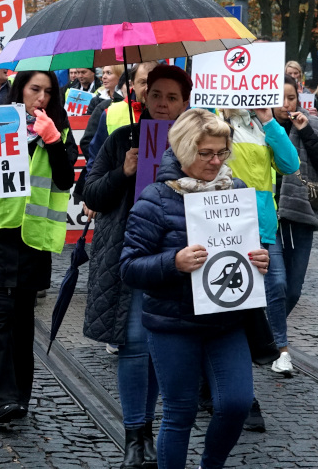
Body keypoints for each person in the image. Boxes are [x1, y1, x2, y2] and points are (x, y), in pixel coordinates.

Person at [120, 108, 270, 469]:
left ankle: (210, 464)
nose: (215, 161)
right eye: (206, 153)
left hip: (226, 321)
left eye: (222, 152)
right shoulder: (154, 199)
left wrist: (260, 261)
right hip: (173, 325)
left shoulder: (235, 192)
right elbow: (129, 267)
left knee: (236, 404)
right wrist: (173, 262)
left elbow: (249, 252)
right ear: (185, 150)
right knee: (179, 413)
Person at [82, 63, 192, 467]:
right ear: (143, 97)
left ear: (185, 103)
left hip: (178, 261)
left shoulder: (195, 143)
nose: (163, 104)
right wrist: (122, 171)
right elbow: (89, 191)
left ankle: (153, 429)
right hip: (128, 255)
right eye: (156, 95)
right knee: (133, 345)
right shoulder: (121, 139)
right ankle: (136, 435)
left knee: (160, 349)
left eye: (173, 97)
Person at [0, 70, 78, 423]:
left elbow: (66, 179)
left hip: (35, 233)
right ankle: (0, 399)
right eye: (34, 89)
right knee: (0, 312)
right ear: (20, 90)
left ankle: (18, 396)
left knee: (23, 316)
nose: (40, 97)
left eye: (47, 92)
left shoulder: (58, 127)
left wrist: (53, 141)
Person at [218, 104, 299, 430]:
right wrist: (220, 120)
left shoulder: (261, 124)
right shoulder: (212, 114)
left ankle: (279, 347)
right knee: (231, 296)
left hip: (262, 223)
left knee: (278, 285)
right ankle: (227, 375)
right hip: (223, 221)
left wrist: (268, 120)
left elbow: (290, 164)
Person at [266, 76, 318, 377]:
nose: (285, 104)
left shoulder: (311, 126)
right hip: (270, 217)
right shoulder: (262, 128)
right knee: (277, 284)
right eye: (279, 98)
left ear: (298, 100)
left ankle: (264, 331)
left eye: (290, 98)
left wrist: (306, 131)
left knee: (292, 289)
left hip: (300, 215)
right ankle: (279, 346)